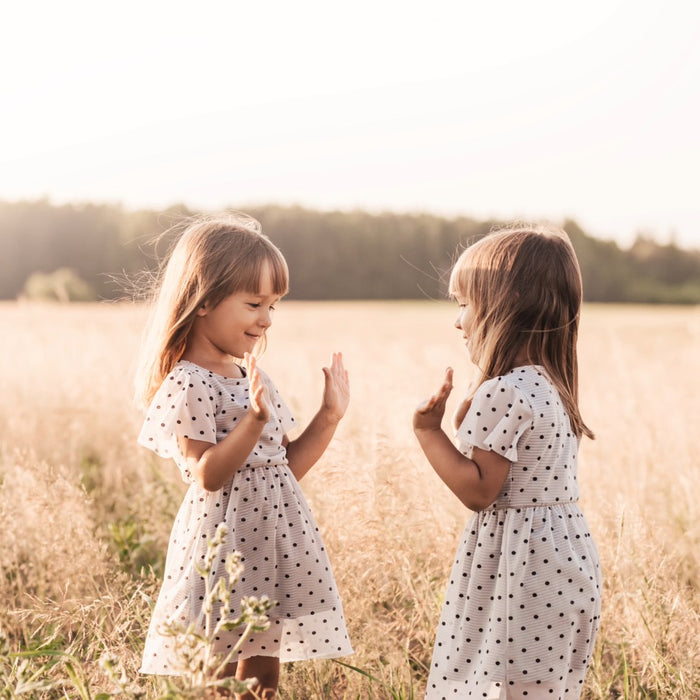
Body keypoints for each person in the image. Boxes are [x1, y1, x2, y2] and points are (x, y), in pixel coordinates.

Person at [134, 214, 353, 699]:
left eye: (273, 306)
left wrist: (329, 416)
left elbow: (285, 467)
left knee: (263, 675)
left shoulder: (248, 373)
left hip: (273, 542)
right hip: (224, 547)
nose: (267, 319)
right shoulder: (189, 380)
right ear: (205, 299)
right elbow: (207, 473)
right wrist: (253, 422)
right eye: (254, 304)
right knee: (217, 672)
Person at [413, 225, 602, 699]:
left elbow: (479, 491)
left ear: (506, 307)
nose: (458, 321)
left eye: (464, 304)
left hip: (520, 569)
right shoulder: (552, 386)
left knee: (501, 687)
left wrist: (428, 431)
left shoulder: (503, 390)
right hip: (567, 559)